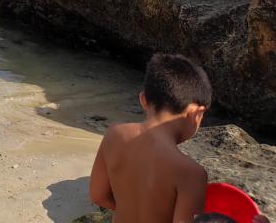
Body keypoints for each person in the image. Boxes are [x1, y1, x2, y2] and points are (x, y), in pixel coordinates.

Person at [89, 53, 211, 223]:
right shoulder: (191, 173)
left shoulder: (114, 134)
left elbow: (98, 195)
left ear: (143, 100)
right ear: (196, 113)